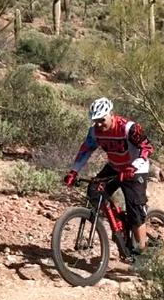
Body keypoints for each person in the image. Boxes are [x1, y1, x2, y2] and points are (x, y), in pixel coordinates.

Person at [63, 97, 155, 262]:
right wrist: (73, 172)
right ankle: (118, 223)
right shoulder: (94, 132)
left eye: (102, 120)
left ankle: (143, 250)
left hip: (136, 168)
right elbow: (85, 150)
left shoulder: (129, 128)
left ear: (111, 115)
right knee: (94, 190)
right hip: (115, 166)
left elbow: (147, 147)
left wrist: (133, 168)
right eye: (95, 121)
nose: (99, 124)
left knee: (135, 208)